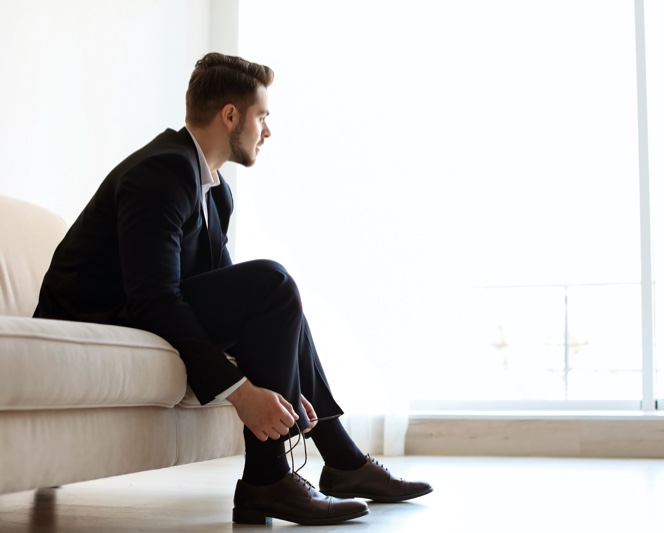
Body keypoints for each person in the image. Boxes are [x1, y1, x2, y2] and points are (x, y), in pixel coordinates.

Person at [34, 52, 431, 526]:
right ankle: (273, 481)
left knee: (278, 295)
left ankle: (340, 460)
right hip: (93, 316)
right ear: (230, 115)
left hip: (137, 305)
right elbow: (153, 296)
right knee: (273, 281)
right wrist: (242, 391)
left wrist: (286, 383)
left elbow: (226, 301)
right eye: (262, 116)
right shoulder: (160, 172)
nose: (267, 131)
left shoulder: (214, 190)